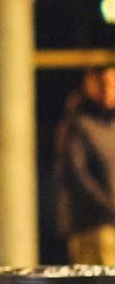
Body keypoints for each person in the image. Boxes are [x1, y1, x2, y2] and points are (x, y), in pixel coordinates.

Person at [52, 65, 115, 265]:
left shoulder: (110, 122)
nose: (108, 91)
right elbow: (77, 173)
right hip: (92, 225)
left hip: (109, 220)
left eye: (113, 85)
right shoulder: (78, 123)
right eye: (102, 84)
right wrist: (109, 205)